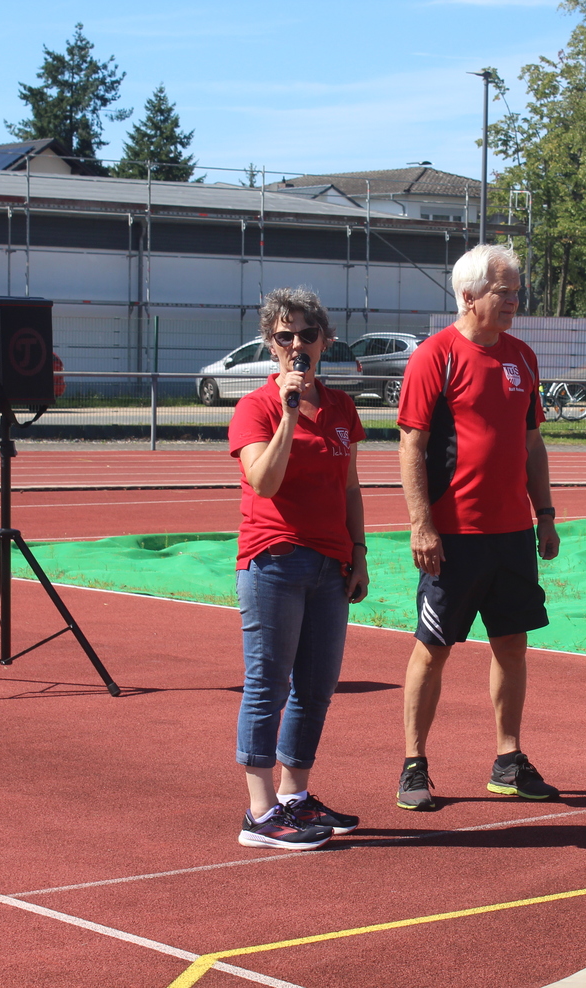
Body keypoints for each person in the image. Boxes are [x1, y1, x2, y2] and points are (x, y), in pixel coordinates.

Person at [393, 243, 561, 812]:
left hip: (513, 535)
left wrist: (545, 515)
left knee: (512, 645)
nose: (515, 300)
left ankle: (508, 761)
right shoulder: (434, 356)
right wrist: (422, 524)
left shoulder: (524, 357)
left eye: (516, 291)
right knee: (433, 648)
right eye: (504, 291)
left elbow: (532, 443)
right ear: (468, 296)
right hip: (453, 537)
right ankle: (414, 764)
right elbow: (411, 445)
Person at [228, 287, 369, 849]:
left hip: (330, 565)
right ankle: (260, 813)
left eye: (306, 335)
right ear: (270, 344)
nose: (296, 346)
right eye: (283, 337)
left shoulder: (341, 409)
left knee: (316, 687)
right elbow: (264, 480)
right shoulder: (256, 407)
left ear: (325, 341)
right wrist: (289, 413)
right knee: (268, 684)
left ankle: (294, 795)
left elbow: (351, 488)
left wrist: (358, 554)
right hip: (275, 562)